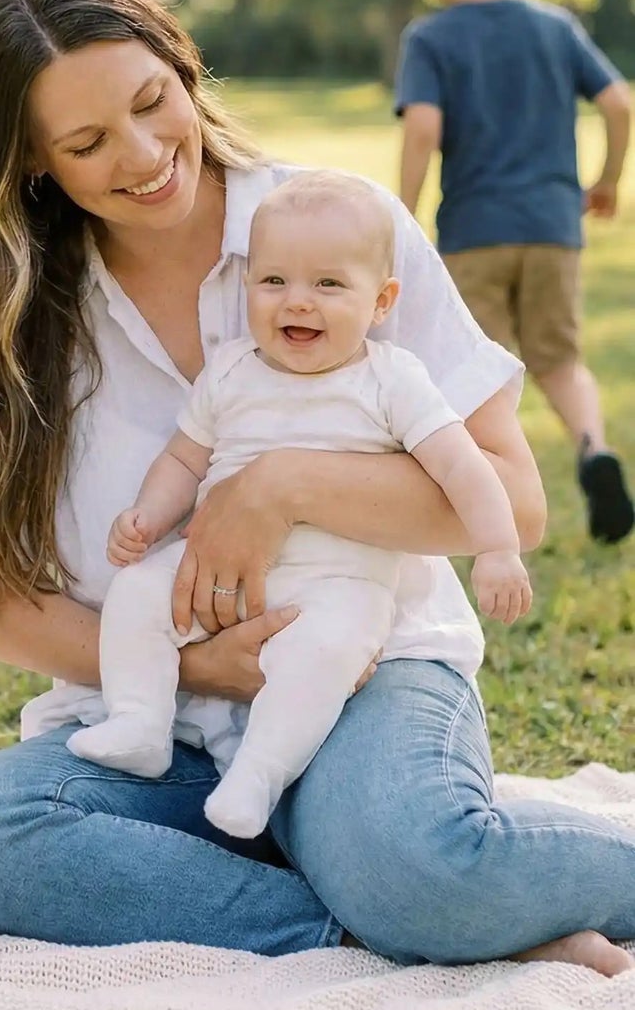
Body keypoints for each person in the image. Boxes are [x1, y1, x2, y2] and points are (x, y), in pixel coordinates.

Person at [0, 0, 635, 976]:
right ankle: (352, 917)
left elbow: (512, 501)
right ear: (29, 162)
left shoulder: (340, 231)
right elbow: (1, 607)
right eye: (85, 141)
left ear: (179, 61)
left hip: (361, 676)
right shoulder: (11, 321)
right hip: (151, 723)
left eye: (151, 100)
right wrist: (199, 666)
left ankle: (400, 880)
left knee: (405, 859)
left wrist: (276, 485)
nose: (144, 151)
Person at [74, 171, 531, 841]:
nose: (298, 302)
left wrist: (496, 549)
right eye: (273, 281)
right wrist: (145, 514)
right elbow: (183, 457)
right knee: (138, 594)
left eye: (327, 284)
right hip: (214, 584)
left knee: (322, 655)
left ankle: (258, 774)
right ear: (246, 286)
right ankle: (140, 721)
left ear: (381, 301)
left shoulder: (389, 378)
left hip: (337, 586)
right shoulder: (231, 370)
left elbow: (462, 468)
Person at [396, 0, 634, 544]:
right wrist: (607, 178)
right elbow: (618, 102)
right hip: (554, 228)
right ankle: (592, 446)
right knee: (560, 359)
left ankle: (485, 507)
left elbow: (421, 129)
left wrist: (402, 221)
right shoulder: (554, 28)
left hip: (473, 233)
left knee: (472, 376)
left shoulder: (431, 38)